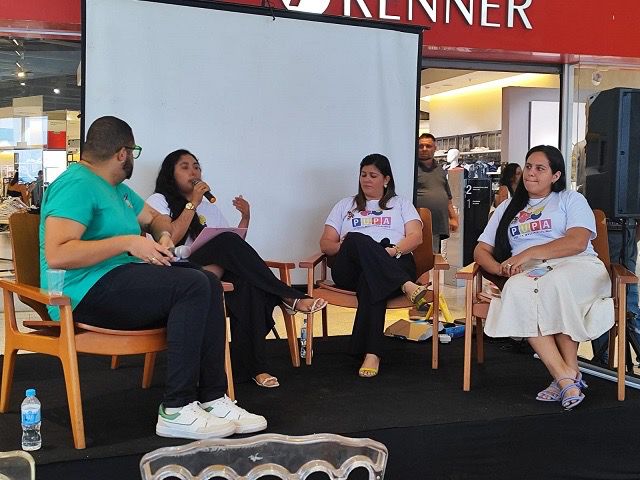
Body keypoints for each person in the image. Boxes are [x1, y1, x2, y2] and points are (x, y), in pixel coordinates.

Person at [40, 116, 266, 440]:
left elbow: (157, 218)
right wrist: (129, 242)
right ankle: (176, 408)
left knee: (207, 282)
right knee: (191, 285)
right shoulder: (76, 184)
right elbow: (58, 254)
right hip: (80, 293)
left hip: (118, 277)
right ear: (123, 153)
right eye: (134, 151)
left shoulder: (118, 190)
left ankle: (214, 398)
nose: (133, 158)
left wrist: (161, 236)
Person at [146, 149, 327, 388]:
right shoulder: (158, 201)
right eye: (185, 167)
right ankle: (286, 294)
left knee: (248, 285)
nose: (194, 171)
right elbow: (168, 240)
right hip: (176, 269)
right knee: (229, 250)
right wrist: (193, 204)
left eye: (197, 166)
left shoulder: (210, 208)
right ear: (171, 174)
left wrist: (245, 221)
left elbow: (233, 248)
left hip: (211, 268)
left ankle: (254, 368)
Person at [474, 145, 614, 410]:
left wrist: (528, 253)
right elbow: (481, 249)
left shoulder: (571, 200)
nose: (531, 173)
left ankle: (564, 376)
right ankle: (565, 376)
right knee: (517, 288)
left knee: (553, 285)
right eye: (528, 167)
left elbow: (577, 241)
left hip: (578, 265)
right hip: (535, 273)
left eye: (540, 168)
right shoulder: (507, 207)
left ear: (556, 175)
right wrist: (498, 268)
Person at [320, 153, 428, 378]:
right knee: (357, 239)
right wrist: (350, 247)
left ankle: (372, 353)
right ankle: (407, 286)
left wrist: (393, 250)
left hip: (394, 260)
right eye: (363, 175)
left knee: (371, 280)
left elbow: (416, 237)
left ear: (386, 179)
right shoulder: (345, 205)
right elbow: (325, 244)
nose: (366, 180)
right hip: (351, 268)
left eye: (373, 175)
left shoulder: (401, 204)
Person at [415, 133, 459, 252]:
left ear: (435, 148)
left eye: (428, 146)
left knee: (432, 260)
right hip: (417, 225)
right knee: (420, 262)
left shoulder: (440, 169)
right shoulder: (411, 169)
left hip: (437, 224)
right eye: (421, 146)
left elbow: (447, 196)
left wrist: (453, 217)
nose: (424, 149)